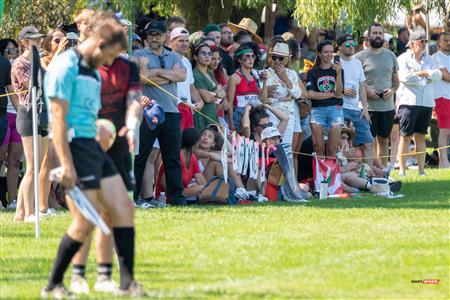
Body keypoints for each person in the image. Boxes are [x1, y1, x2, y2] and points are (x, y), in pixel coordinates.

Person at [41, 14, 145, 298]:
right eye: (109, 55)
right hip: (75, 148)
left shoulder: (90, 68)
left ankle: (127, 284)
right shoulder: (66, 67)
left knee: (124, 208)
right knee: (85, 221)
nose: (109, 63)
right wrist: (66, 164)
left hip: (94, 147)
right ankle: (53, 285)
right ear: (99, 43)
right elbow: (58, 121)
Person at [69, 46, 144, 294]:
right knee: (86, 215)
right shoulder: (77, 67)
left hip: (119, 145)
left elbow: (134, 102)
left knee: (113, 213)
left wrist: (132, 125)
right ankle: (76, 277)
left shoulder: (128, 67)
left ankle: (104, 277)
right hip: (86, 145)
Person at [132, 20, 187, 205]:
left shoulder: (174, 56)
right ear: (147, 37)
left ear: (164, 36)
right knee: (141, 156)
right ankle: (133, 197)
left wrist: (154, 72)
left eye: (157, 35)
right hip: (148, 112)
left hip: (171, 112)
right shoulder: (138, 54)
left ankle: (176, 198)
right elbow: (143, 78)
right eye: (150, 35)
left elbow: (182, 76)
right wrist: (167, 75)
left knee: (172, 158)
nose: (154, 38)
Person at [11, 26, 54, 222]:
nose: (38, 42)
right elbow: (34, 86)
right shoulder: (20, 63)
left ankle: (20, 213)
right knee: (32, 166)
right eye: (33, 39)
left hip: (43, 113)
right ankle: (29, 212)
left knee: (39, 165)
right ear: (24, 42)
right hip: (28, 114)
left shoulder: (41, 62)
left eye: (39, 38)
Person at [397, 32, 442, 176]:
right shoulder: (402, 58)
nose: (423, 43)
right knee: (405, 136)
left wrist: (422, 73)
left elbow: (438, 75)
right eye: (420, 41)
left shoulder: (430, 58)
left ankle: (421, 171)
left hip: (426, 102)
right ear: (411, 43)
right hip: (408, 102)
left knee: (421, 136)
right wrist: (425, 76)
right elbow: (405, 77)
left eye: (425, 41)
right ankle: (402, 170)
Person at [355, 23, 399, 166]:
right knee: (369, 142)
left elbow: (396, 82)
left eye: (380, 33)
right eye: (374, 33)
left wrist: (392, 90)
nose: (378, 36)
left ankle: (383, 172)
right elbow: (353, 81)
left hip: (387, 107)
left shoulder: (391, 55)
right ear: (368, 36)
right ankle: (369, 171)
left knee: (384, 140)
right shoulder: (359, 57)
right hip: (367, 108)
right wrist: (367, 90)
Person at [336, 34, 375, 166]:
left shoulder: (357, 63)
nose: (351, 47)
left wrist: (365, 108)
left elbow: (362, 87)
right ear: (339, 47)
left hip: (356, 109)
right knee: (341, 142)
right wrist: (342, 91)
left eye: (353, 44)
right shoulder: (334, 62)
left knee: (368, 142)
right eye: (347, 45)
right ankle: (343, 175)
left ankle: (368, 174)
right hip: (340, 108)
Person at [306, 40, 344, 158]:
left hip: (335, 109)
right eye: (326, 52)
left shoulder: (338, 70)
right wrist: (332, 94)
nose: (329, 54)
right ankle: (319, 176)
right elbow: (311, 94)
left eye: (331, 52)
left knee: (332, 148)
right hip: (317, 110)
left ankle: (331, 175)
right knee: (318, 148)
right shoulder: (312, 72)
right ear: (319, 54)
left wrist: (337, 74)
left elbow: (339, 93)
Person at [264, 42, 304, 149]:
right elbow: (264, 98)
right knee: (271, 148)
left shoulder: (292, 74)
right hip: (271, 114)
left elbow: (298, 94)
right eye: (274, 57)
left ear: (287, 59)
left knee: (285, 149)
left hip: (289, 115)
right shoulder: (265, 73)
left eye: (280, 58)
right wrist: (285, 97)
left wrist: (285, 78)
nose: (277, 61)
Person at [155, 128, 206, 201]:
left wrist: (206, 189)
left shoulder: (192, 157)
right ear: (196, 143)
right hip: (167, 196)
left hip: (181, 193)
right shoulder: (177, 156)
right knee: (199, 188)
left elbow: (201, 180)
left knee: (200, 188)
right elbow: (163, 182)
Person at [0, 39, 22, 209]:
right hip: (5, 115)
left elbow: (13, 91)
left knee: (14, 162)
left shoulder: (19, 65)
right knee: (1, 159)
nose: (12, 53)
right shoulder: (5, 64)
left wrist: (22, 112)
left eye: (14, 50)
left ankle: (12, 200)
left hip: (16, 116)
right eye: (8, 50)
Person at [170, 27, 203, 130]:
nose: (184, 44)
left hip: (188, 110)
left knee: (188, 143)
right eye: (180, 41)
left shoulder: (187, 62)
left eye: (186, 41)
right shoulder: (166, 59)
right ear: (172, 42)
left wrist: (200, 101)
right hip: (173, 110)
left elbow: (191, 87)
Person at [227, 45, 264, 133]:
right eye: (247, 56)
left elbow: (261, 99)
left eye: (252, 56)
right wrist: (231, 125)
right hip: (240, 116)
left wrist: (264, 82)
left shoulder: (255, 76)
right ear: (240, 60)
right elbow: (230, 103)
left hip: (255, 116)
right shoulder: (235, 77)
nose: (251, 59)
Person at [192, 43, 225, 129]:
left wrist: (213, 94)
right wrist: (217, 95)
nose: (207, 56)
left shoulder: (209, 72)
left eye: (209, 54)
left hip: (213, 114)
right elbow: (207, 98)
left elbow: (223, 92)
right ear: (195, 57)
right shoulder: (196, 75)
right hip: (202, 116)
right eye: (203, 53)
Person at [432, 32, 450, 168]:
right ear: (439, 43)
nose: (448, 43)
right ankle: (443, 162)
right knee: (444, 130)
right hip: (442, 97)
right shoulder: (436, 57)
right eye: (445, 40)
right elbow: (446, 76)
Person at [209, 45, 229, 127]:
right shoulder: (200, 74)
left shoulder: (221, 73)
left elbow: (226, 106)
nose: (216, 62)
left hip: (221, 115)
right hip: (209, 115)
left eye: (218, 59)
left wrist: (223, 96)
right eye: (213, 58)